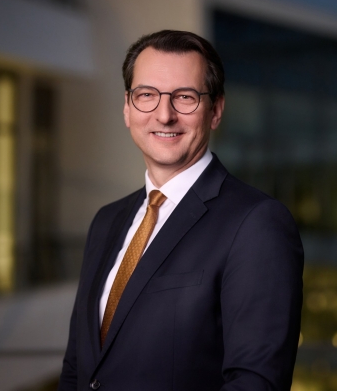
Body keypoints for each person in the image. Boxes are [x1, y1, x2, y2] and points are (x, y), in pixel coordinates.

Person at [58, 30, 304, 391]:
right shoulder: (106, 220)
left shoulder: (257, 223)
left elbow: (256, 382)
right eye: (146, 95)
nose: (164, 115)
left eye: (185, 97)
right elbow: (77, 366)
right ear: (127, 108)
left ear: (215, 110)